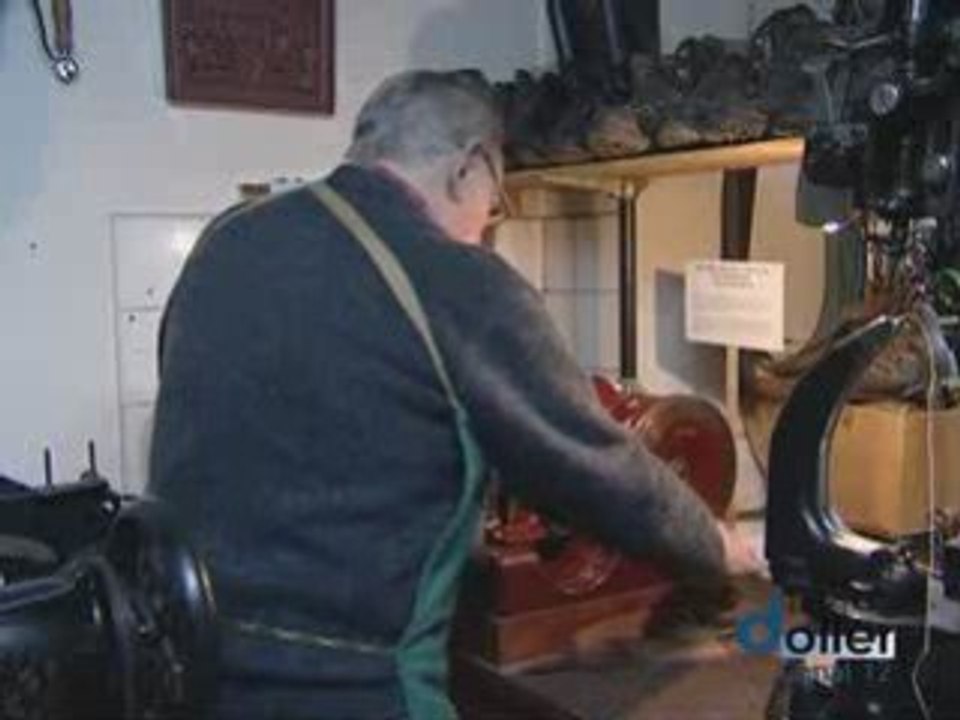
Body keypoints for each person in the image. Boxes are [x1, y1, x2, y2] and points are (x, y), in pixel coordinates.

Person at [149, 69, 760, 720]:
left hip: (185, 667)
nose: (488, 228)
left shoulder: (231, 237)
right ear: (470, 167)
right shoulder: (454, 277)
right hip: (348, 690)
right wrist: (715, 544)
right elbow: (590, 461)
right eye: (495, 205)